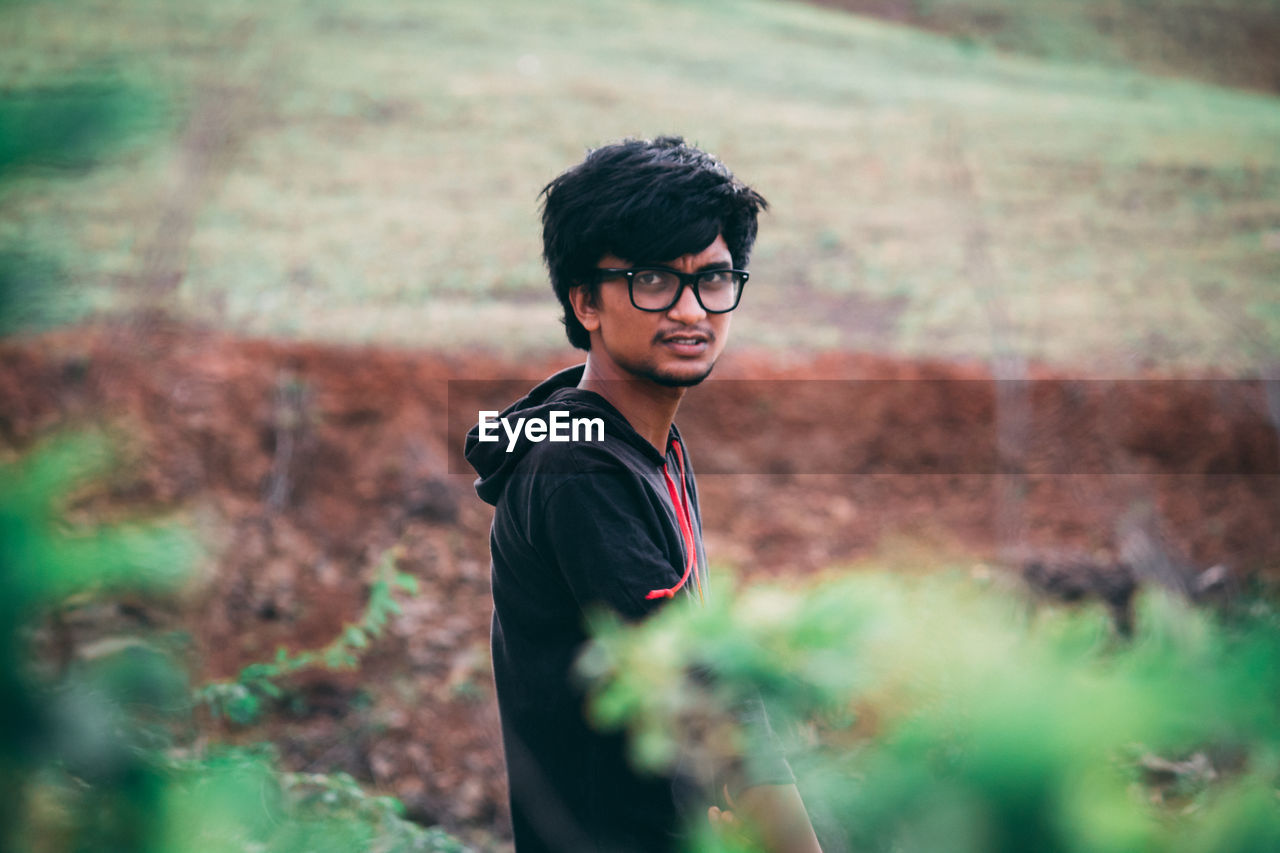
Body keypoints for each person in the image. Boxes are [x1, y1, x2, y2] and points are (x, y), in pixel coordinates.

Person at [465, 137, 821, 852]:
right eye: (654, 280)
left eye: (714, 279)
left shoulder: (645, 443)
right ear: (585, 302)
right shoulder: (581, 467)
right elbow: (709, 702)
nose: (692, 310)